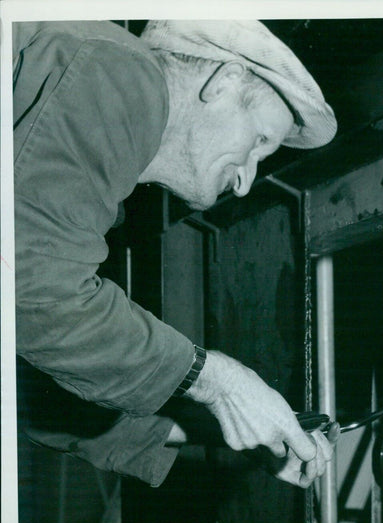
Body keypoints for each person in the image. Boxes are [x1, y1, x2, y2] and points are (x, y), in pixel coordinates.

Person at [12, 20, 337, 488]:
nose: (245, 183)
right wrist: (215, 382)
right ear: (223, 82)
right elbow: (33, 293)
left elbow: (34, 390)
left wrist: (224, 422)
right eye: (260, 142)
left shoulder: (101, 148)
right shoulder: (121, 74)